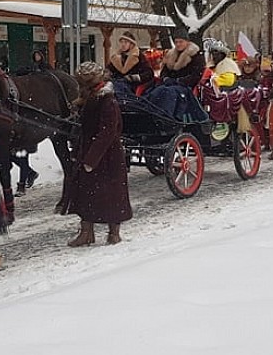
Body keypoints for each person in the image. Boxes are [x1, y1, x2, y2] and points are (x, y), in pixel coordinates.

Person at [58, 61, 132, 246]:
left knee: (112, 194)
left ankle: (114, 233)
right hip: (89, 151)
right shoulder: (90, 97)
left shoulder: (108, 101)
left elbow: (107, 132)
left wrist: (92, 158)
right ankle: (86, 232)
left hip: (108, 156)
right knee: (85, 193)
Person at [145, 28, 206, 122]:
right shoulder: (170, 55)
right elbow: (164, 71)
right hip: (169, 84)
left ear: (187, 42)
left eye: (181, 42)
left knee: (169, 93)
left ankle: (166, 116)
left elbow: (196, 75)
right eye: (176, 42)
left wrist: (179, 81)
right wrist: (165, 78)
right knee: (156, 91)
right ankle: (150, 112)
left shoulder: (196, 56)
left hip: (186, 87)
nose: (178, 44)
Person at [106, 31, 153, 96]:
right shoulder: (117, 57)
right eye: (121, 42)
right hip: (118, 83)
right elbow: (109, 69)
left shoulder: (139, 56)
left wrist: (134, 77)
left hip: (133, 86)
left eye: (126, 42)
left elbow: (149, 73)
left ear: (131, 44)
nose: (123, 44)